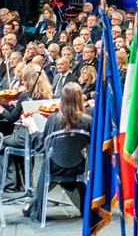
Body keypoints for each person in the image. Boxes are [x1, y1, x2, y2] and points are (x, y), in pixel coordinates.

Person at [22, 82, 91, 220]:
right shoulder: (88, 120)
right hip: (79, 166)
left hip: (55, 167)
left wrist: (32, 126)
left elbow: (42, 145)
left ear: (62, 98)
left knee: (50, 161)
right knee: (63, 160)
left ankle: (34, 203)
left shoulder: (54, 119)